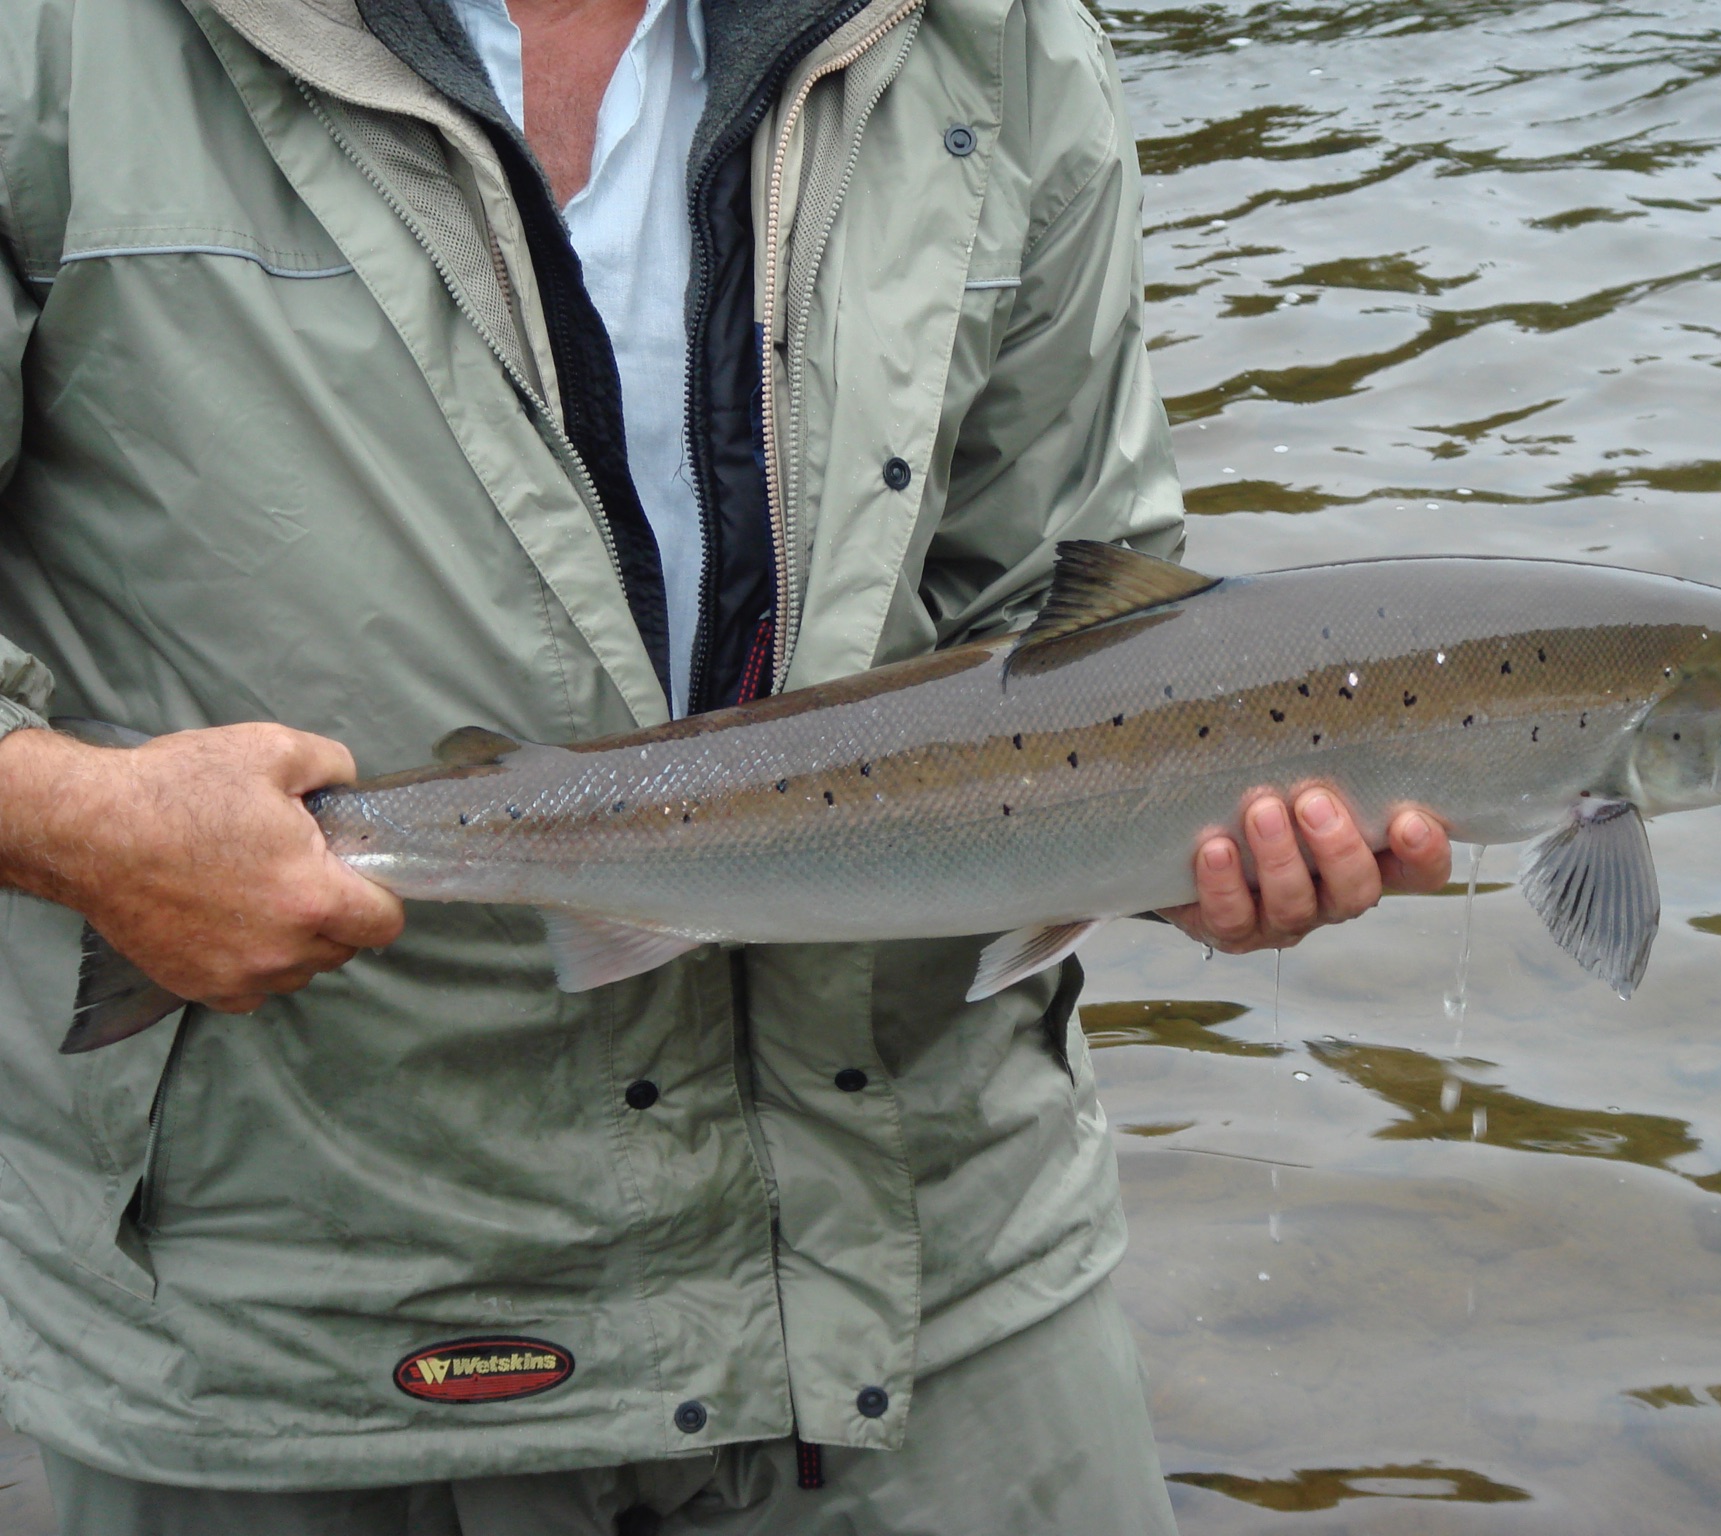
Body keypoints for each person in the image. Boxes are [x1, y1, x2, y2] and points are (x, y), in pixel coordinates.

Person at [0, 0, 1452, 1528]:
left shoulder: (998, 36)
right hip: (292, 1341)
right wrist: (70, 821)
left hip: (935, 1285)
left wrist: (1170, 845)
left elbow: (1060, 613)